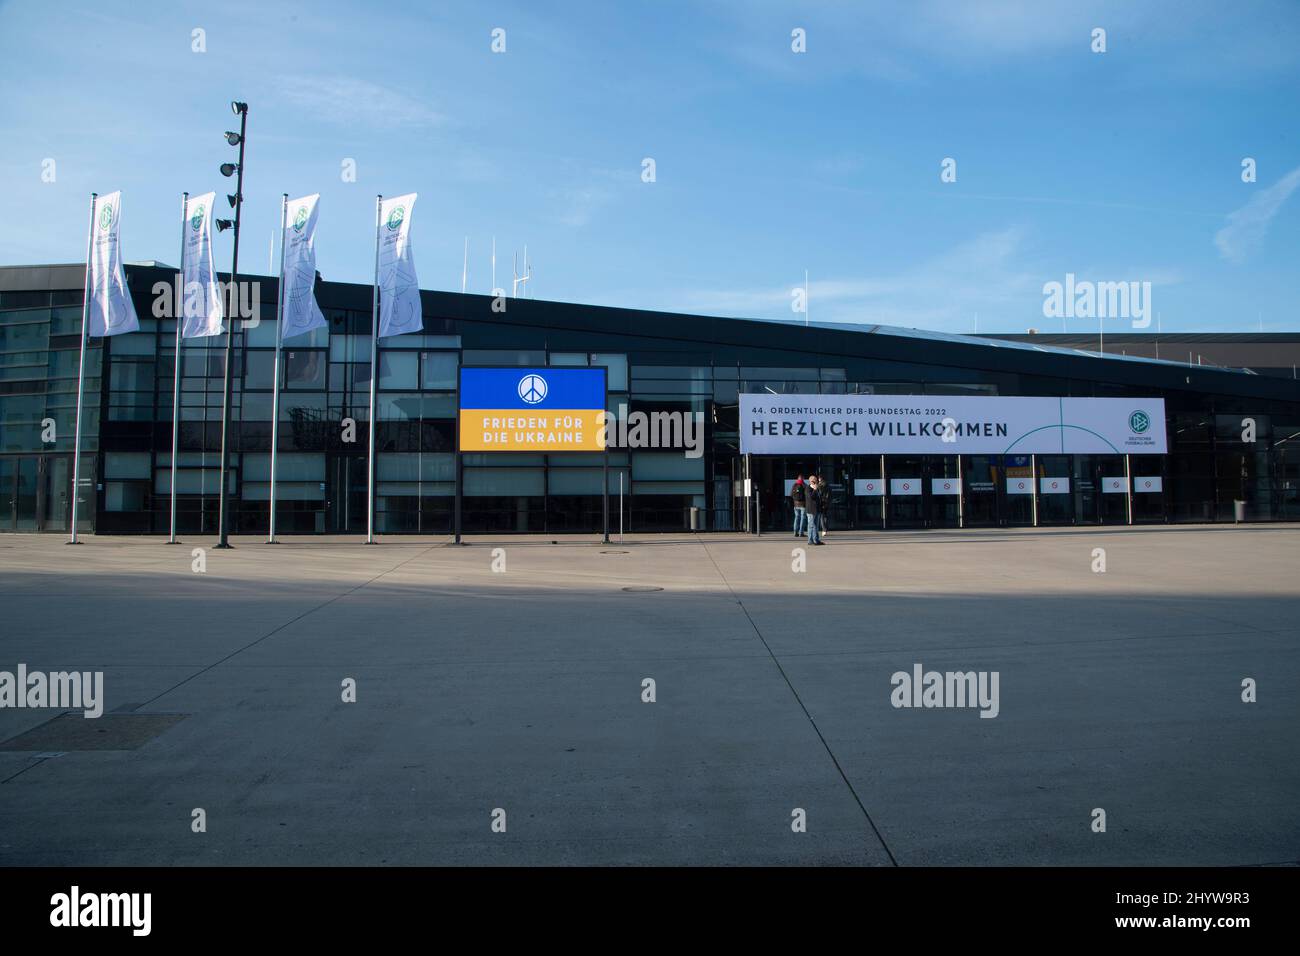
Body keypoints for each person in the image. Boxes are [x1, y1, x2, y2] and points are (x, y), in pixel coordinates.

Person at [804, 475, 823, 545]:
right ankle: (810, 540)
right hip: (811, 510)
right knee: (811, 525)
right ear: (811, 481)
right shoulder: (807, 488)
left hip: (817, 509)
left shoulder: (817, 488)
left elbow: (819, 498)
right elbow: (811, 497)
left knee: (816, 526)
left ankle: (816, 540)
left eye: (816, 480)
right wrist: (815, 490)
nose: (816, 481)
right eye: (815, 480)